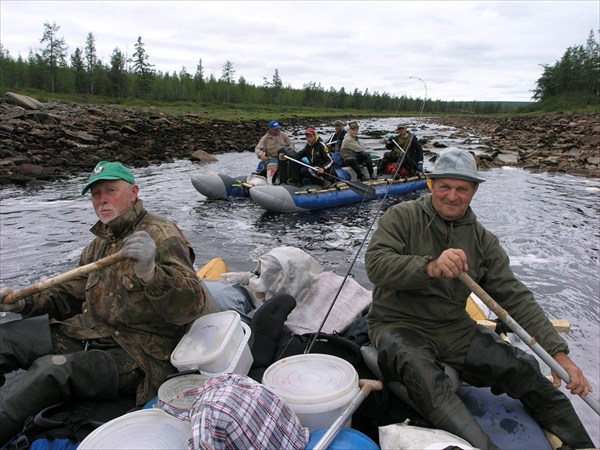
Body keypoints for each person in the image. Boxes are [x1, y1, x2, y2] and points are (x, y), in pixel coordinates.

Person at [364, 149, 595, 449]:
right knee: (424, 376)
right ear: (431, 185)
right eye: (444, 186)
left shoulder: (483, 241)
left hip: (453, 328)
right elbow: (377, 265)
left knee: (522, 366)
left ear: (473, 191)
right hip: (397, 323)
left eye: (462, 189)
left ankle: (583, 444)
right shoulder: (402, 217)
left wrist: (558, 354)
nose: (452, 196)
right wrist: (430, 267)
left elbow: (515, 298)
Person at [0, 161, 220, 445]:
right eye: (96, 194)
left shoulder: (162, 234)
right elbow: (67, 296)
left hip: (136, 353)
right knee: (6, 340)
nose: (102, 200)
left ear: (133, 193)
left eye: (110, 191)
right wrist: (20, 305)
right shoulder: (98, 243)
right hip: (89, 332)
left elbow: (191, 306)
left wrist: (151, 273)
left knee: (51, 370)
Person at [254, 119, 295, 183]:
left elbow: (290, 143)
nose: (277, 130)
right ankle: (271, 180)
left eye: (278, 129)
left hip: (284, 156)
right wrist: (261, 154)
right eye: (275, 129)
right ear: (270, 129)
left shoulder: (283, 135)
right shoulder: (265, 138)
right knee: (271, 164)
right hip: (272, 158)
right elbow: (257, 148)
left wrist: (290, 149)